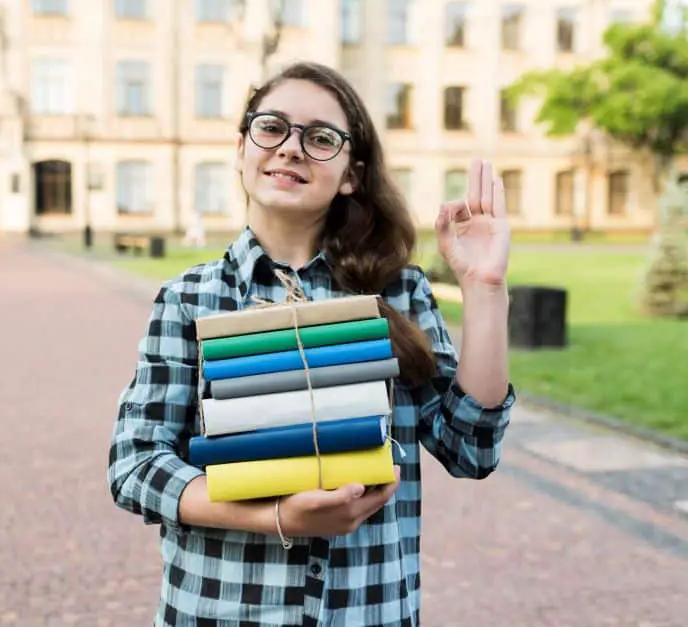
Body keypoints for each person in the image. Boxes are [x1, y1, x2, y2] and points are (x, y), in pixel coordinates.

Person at [107, 61, 515, 627]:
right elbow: (135, 466)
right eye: (272, 127)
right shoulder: (189, 299)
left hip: (368, 612)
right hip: (218, 612)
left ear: (351, 173)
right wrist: (277, 516)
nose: (291, 148)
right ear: (243, 147)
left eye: (320, 138)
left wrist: (485, 289)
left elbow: (471, 450)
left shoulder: (399, 292)